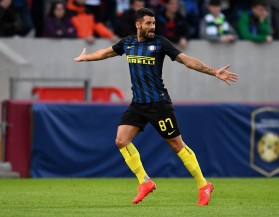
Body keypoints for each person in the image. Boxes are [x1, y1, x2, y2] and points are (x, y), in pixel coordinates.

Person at [73, 8, 238, 206]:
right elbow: (105, 53)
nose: (152, 27)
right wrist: (86, 57)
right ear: (138, 24)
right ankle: (145, 182)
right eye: (148, 23)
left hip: (159, 104)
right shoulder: (128, 43)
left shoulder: (160, 43)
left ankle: (203, 185)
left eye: (153, 23)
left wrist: (214, 72)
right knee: (121, 140)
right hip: (138, 104)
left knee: (177, 145)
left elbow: (187, 61)